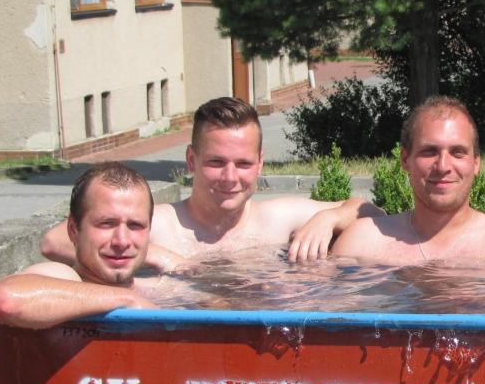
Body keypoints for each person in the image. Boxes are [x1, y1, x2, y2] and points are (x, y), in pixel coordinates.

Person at [41, 97, 382, 268]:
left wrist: (329, 218)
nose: (230, 178)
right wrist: (154, 254)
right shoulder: (159, 225)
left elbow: (371, 211)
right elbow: (53, 242)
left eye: (243, 164)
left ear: (260, 164)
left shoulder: (279, 219)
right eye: (216, 162)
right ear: (192, 160)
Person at [331, 96, 485, 263]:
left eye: (457, 152)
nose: (442, 166)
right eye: (429, 151)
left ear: (476, 163)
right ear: (405, 160)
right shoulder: (361, 244)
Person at [0, 163, 157, 329]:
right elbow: (7, 299)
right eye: (106, 223)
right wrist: (127, 299)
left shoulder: (159, 288)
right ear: (73, 230)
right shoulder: (66, 277)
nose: (122, 241)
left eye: (135, 225)